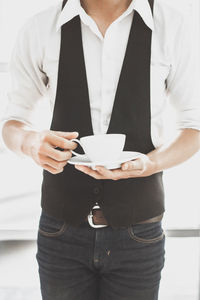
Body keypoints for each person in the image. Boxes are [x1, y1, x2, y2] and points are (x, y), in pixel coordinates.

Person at [1, 0, 200, 299]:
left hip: (139, 232)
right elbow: (13, 121)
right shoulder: (41, 27)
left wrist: (149, 164)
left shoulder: (171, 26)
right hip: (60, 229)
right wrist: (30, 143)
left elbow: (193, 125)